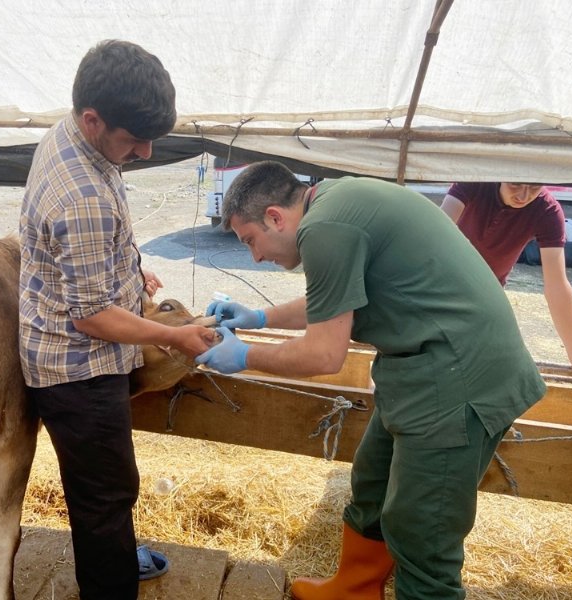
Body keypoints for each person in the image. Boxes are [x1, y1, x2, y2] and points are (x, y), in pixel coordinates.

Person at [195, 161, 546, 600]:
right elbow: (336, 294)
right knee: (372, 480)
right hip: (426, 367)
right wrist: (261, 318)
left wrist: (244, 355)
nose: (256, 256)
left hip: (458, 378)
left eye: (251, 241)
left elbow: (324, 354)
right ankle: (356, 587)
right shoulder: (337, 203)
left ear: (274, 217)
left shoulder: (324, 228)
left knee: (423, 530)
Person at [18, 40, 215, 600]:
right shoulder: (83, 198)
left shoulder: (72, 136)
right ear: (93, 119)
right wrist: (173, 334)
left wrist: (132, 274)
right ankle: (111, 582)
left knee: (102, 484)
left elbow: (85, 258)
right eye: (134, 139)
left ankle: (114, 554)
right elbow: (94, 318)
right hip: (77, 366)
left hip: (65, 337)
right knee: (106, 492)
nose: (147, 153)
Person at [440, 182, 572, 387]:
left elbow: (557, 285)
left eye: (534, 188)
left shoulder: (546, 210)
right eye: (515, 185)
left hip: (486, 299)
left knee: (487, 372)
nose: (523, 196)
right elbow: (435, 231)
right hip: (442, 288)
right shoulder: (475, 183)